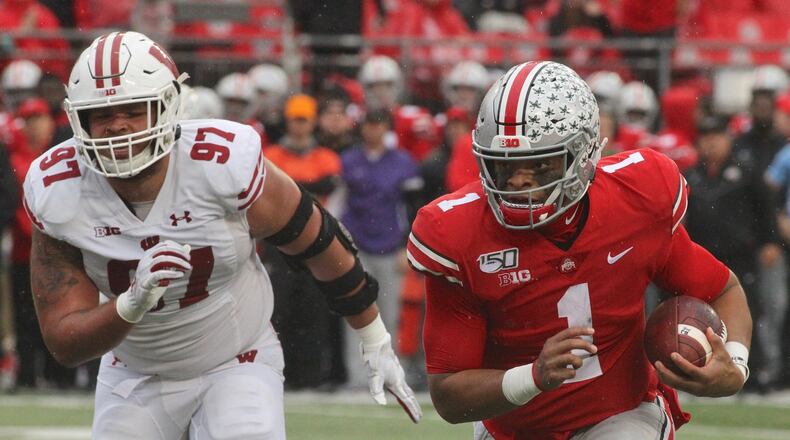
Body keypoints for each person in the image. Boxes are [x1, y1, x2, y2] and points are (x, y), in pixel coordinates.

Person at [22, 31, 421, 438]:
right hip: (135, 371)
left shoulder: (221, 163)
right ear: (78, 120)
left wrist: (374, 336)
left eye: (133, 109)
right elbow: (65, 342)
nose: (117, 128)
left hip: (236, 359)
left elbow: (318, 241)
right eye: (102, 115)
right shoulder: (59, 190)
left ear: (167, 106)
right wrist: (130, 304)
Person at [407, 61, 752, 439]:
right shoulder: (455, 233)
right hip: (512, 429)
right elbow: (449, 396)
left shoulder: (637, 198)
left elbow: (723, 290)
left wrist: (733, 364)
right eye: (505, 167)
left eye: (539, 165)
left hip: (622, 414)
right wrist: (534, 377)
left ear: (584, 155)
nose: (519, 182)